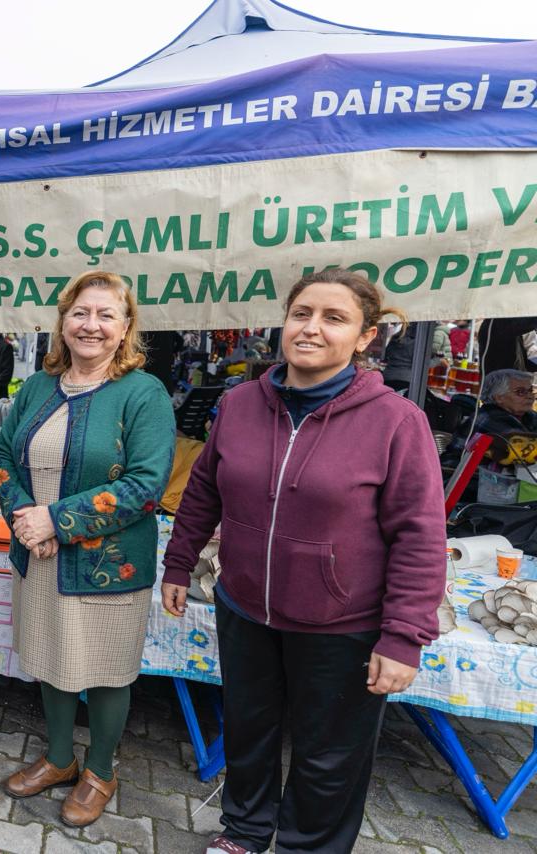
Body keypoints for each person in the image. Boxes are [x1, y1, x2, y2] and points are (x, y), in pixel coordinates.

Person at [161, 268, 446, 854]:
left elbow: (420, 535)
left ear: (365, 337)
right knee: (248, 731)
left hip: (342, 624)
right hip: (245, 606)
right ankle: (243, 832)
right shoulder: (240, 404)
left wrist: (403, 637)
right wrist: (179, 562)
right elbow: (204, 492)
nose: (311, 328)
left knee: (329, 756)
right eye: (301, 313)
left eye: (333, 318)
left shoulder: (396, 421)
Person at [0, 271, 174, 827]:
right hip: (37, 553)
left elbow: (145, 485)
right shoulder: (39, 387)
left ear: (125, 328)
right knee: (50, 658)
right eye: (80, 313)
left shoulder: (144, 393)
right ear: (63, 321)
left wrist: (55, 520)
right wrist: (25, 519)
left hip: (105, 565)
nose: (91, 325)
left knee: (107, 669)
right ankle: (60, 759)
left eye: (106, 315)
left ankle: (99, 771)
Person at [474, 369, 537, 436]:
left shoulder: (529, 415)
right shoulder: (490, 419)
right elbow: (524, 442)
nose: (530, 396)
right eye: (521, 392)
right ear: (499, 398)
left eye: (530, 390)